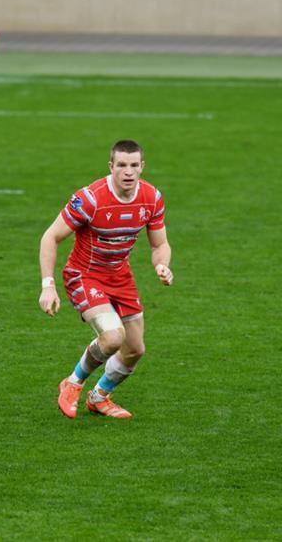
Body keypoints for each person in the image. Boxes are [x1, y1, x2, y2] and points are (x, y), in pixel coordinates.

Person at [39, 140, 173, 419]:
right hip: (84, 275)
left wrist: (162, 266)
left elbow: (159, 245)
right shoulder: (90, 199)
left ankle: (99, 397)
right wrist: (47, 286)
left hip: (120, 276)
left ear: (142, 167)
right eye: (121, 165)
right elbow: (50, 237)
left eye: (134, 165)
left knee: (135, 349)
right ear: (111, 167)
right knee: (112, 338)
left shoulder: (151, 197)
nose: (128, 171)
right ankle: (72, 382)